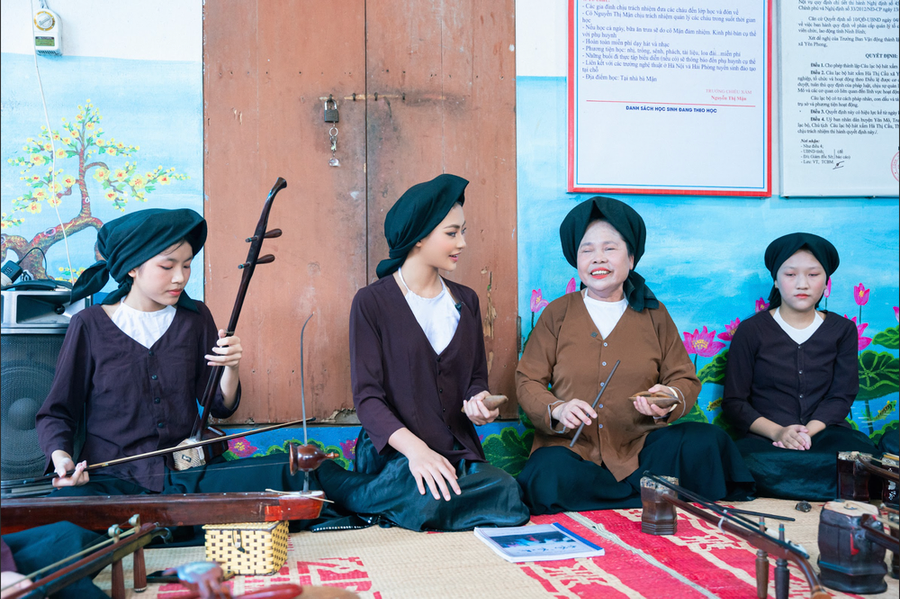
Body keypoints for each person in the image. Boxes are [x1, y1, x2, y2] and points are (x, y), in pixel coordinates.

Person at [35, 208, 303, 497]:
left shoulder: (196, 317)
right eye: (168, 266)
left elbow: (219, 406)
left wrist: (231, 367)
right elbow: (57, 412)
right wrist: (62, 459)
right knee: (67, 515)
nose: (180, 278)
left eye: (186, 266)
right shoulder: (89, 324)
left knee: (292, 473)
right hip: (114, 480)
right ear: (132, 267)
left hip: (188, 473)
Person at [316, 174, 530, 531]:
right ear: (418, 237)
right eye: (451, 233)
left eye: (463, 231)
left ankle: (372, 500)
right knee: (425, 497)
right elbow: (368, 399)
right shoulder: (372, 303)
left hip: (454, 452)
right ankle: (348, 485)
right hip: (395, 455)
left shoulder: (468, 301)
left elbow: (474, 379)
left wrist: (478, 402)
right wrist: (416, 451)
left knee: (508, 494)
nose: (462, 242)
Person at [516, 196, 755, 514]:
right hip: (574, 451)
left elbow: (683, 377)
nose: (597, 259)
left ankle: (614, 496)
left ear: (631, 258)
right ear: (576, 260)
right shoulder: (557, 313)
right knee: (546, 470)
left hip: (640, 450)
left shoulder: (654, 314)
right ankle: (646, 494)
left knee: (705, 441)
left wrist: (668, 397)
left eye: (610, 249)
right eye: (587, 250)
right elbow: (527, 379)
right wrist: (557, 409)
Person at [722, 232, 879, 500]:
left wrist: (807, 433)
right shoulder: (751, 331)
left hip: (825, 436)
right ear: (775, 279)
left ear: (826, 281)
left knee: (860, 460)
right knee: (742, 463)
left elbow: (841, 396)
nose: (802, 284)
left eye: (813, 275)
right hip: (767, 441)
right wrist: (780, 433)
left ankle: (791, 485)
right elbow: (735, 402)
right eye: (791, 274)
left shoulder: (842, 330)